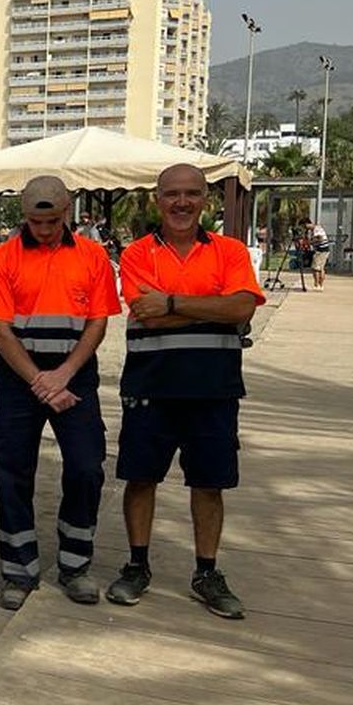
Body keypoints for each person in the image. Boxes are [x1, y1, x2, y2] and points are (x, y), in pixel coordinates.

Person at [108, 164, 265, 619]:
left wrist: (174, 302)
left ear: (206, 199)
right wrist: (218, 310)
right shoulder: (138, 254)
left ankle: (207, 572)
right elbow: (145, 312)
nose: (182, 202)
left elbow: (243, 306)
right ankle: (138, 565)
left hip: (213, 389)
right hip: (150, 387)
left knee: (209, 483)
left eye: (192, 193)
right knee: (140, 479)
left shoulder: (229, 251)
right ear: (157, 199)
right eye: (172, 194)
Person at [0, 175, 120, 611]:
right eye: (36, 222)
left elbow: (98, 321)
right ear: (24, 216)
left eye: (53, 220)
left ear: (68, 210)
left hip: (74, 378)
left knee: (85, 468)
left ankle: (75, 564)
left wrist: (64, 374)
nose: (44, 229)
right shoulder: (3, 259)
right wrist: (39, 379)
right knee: (11, 469)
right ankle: (19, 569)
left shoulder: (93, 257)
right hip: (19, 381)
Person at [309, 221, 331, 289]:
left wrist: (311, 241)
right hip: (325, 250)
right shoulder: (318, 228)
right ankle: (321, 285)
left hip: (320, 251)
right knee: (321, 268)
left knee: (316, 268)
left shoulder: (316, 229)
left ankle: (317, 285)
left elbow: (320, 238)